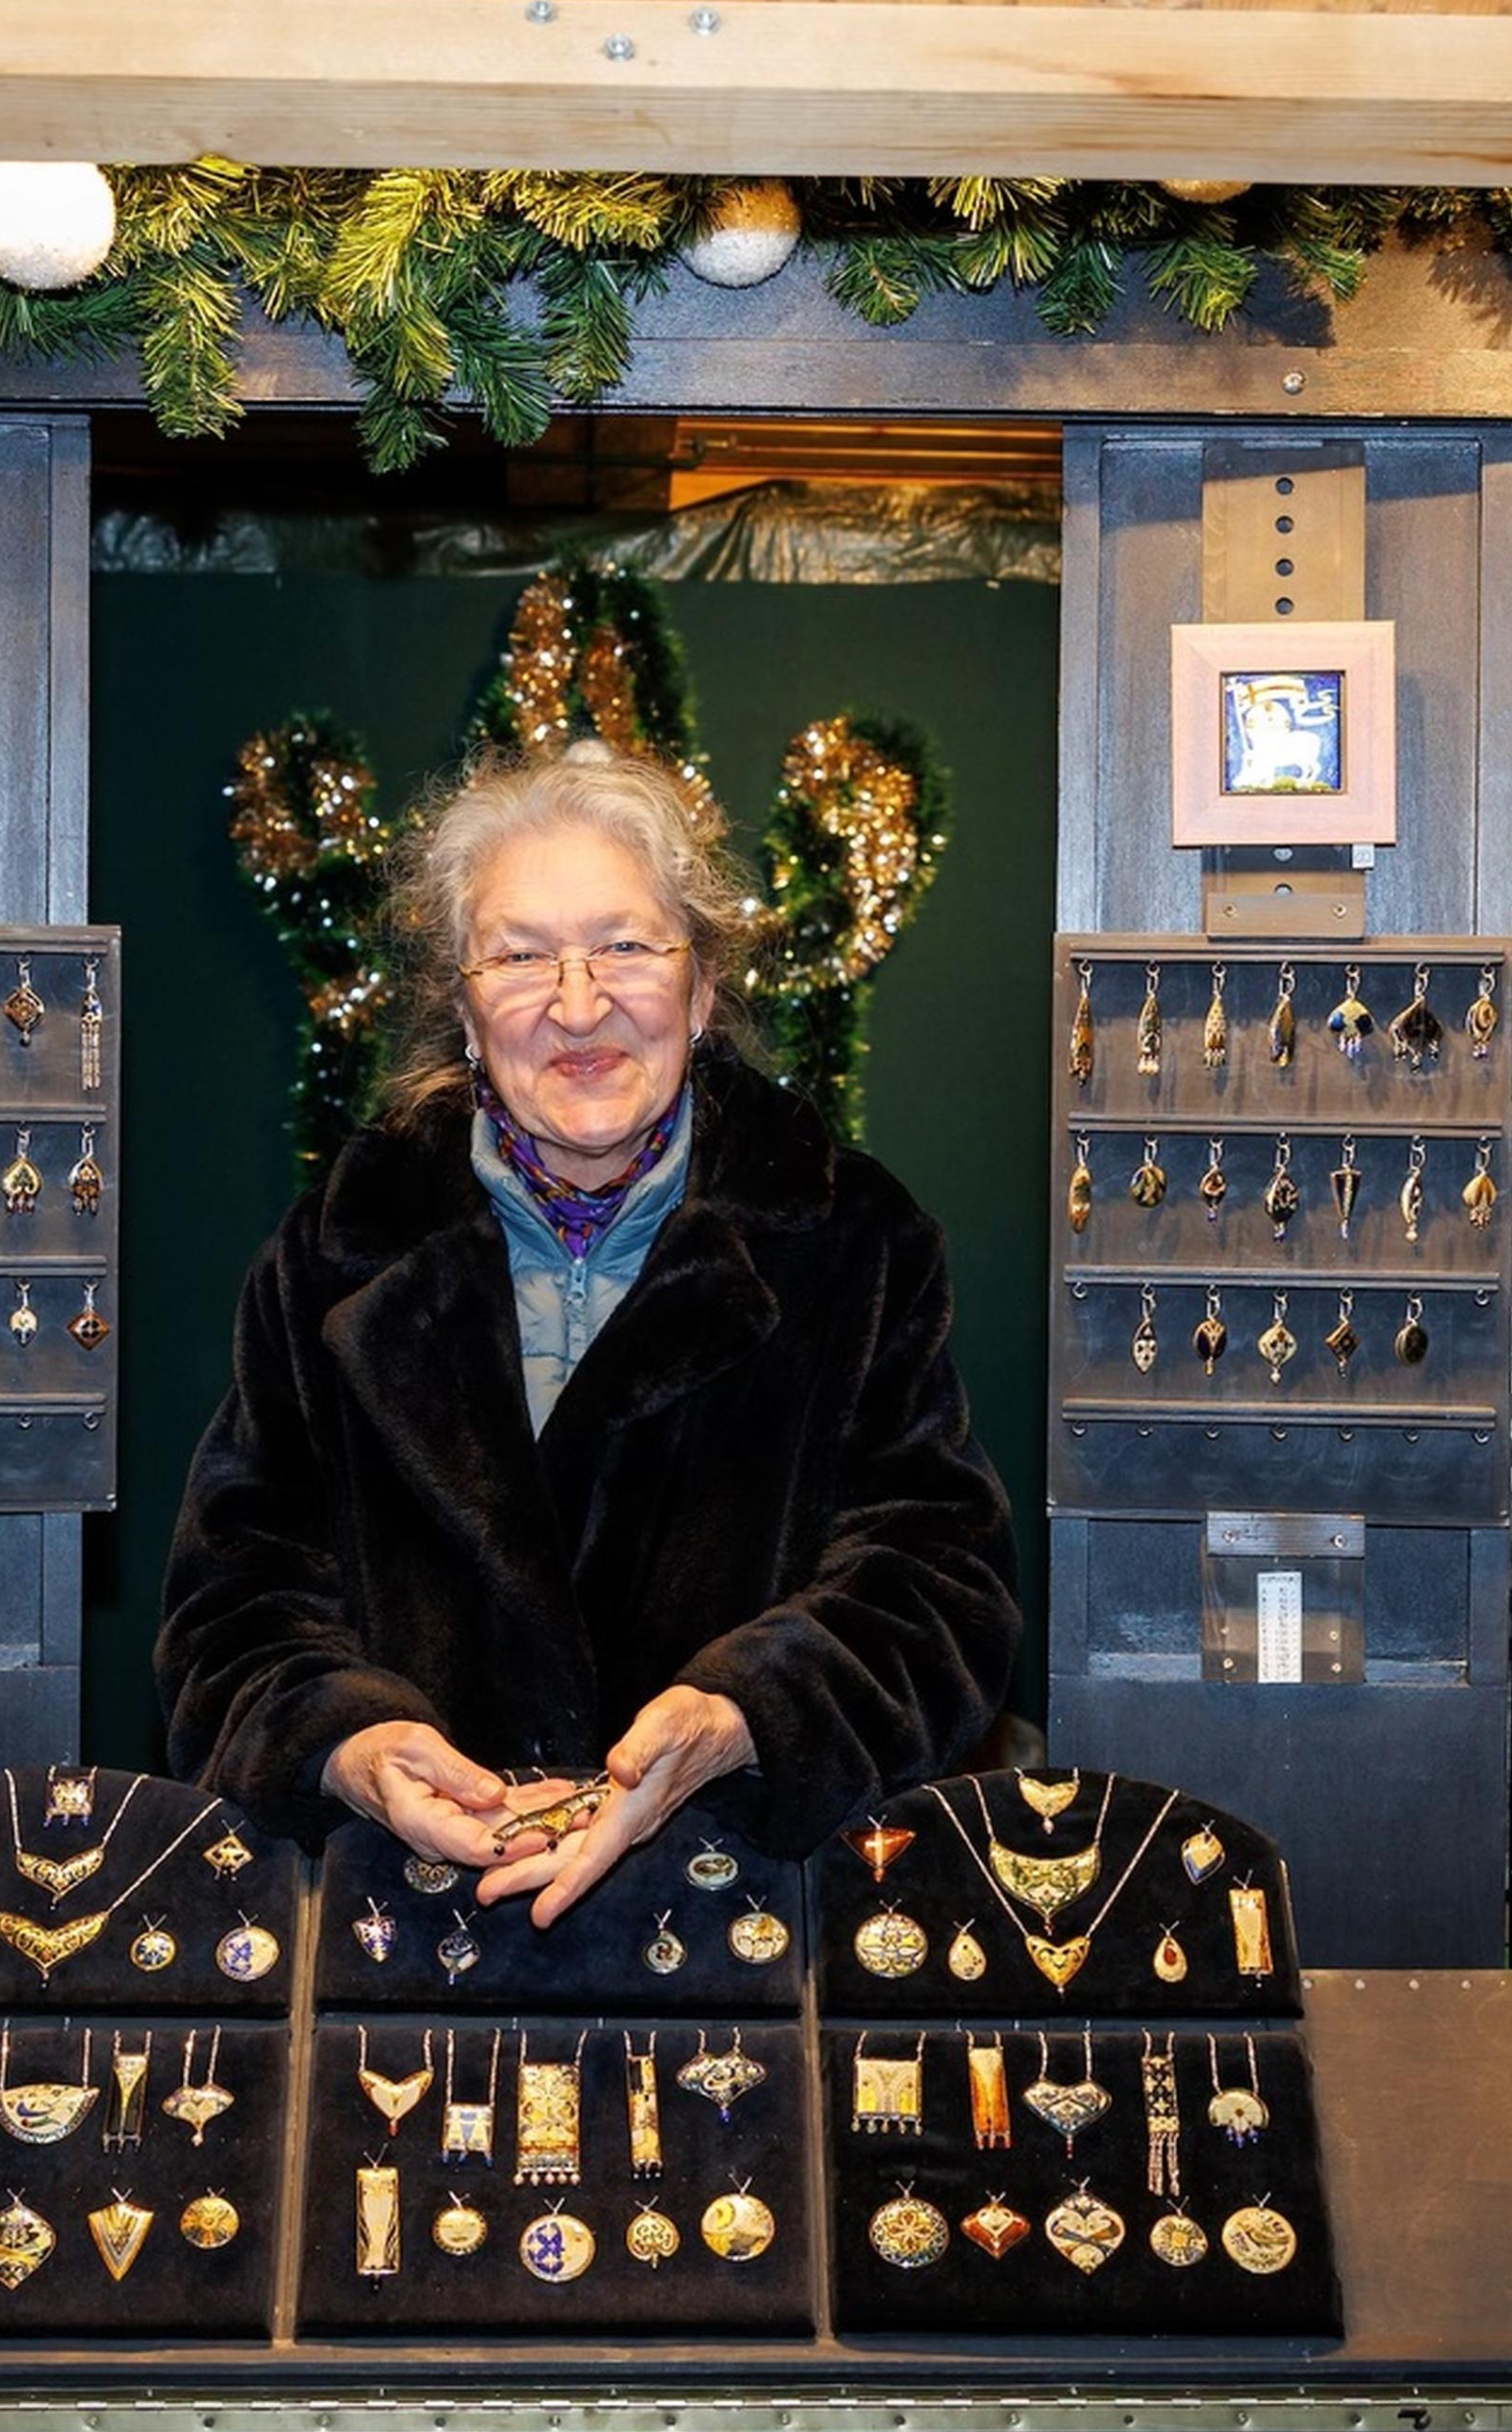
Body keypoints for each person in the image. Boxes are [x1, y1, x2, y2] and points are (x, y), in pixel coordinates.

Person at [155, 744, 1021, 1923]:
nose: (577, 1003)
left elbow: (942, 1584)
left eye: (624, 944)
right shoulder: (334, 1257)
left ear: (701, 986)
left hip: (739, 1927)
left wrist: (744, 1717)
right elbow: (232, 1608)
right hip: (407, 1936)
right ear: (464, 1005)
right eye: (520, 956)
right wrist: (350, 1742)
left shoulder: (852, 1242)